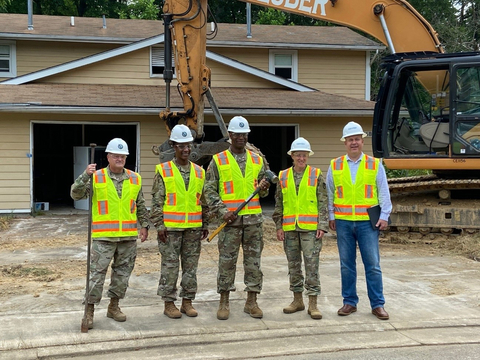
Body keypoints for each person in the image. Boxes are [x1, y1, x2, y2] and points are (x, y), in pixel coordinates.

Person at [71, 138, 149, 329]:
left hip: (128, 238)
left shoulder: (134, 178)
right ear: (108, 157)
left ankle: (114, 306)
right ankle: (89, 312)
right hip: (103, 237)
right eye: (116, 156)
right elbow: (75, 194)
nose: (119, 159)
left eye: (123, 156)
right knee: (96, 277)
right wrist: (84, 176)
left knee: (122, 275)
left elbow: (140, 204)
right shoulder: (95, 177)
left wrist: (145, 225)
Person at [204, 116, 271, 320]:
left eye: (244, 134)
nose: (241, 137)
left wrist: (264, 188)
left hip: (253, 221)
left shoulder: (257, 160)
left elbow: (263, 194)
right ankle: (224, 301)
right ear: (230, 136)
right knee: (226, 262)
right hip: (230, 221)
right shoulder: (219, 160)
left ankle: (251, 302)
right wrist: (222, 211)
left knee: (253, 263)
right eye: (237, 134)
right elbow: (209, 190)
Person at [326, 122, 392, 320]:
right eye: (350, 139)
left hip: (367, 223)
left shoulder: (374, 163)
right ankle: (349, 302)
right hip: (344, 221)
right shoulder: (335, 165)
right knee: (346, 265)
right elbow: (330, 193)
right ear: (345, 142)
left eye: (356, 139)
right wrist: (331, 216)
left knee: (372, 264)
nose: (353, 143)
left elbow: (383, 192)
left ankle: (377, 304)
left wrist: (384, 216)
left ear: (362, 141)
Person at [150, 124, 209, 319]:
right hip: (171, 228)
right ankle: (169, 303)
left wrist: (205, 224)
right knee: (170, 266)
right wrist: (159, 225)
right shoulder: (164, 171)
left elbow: (204, 200)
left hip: (193, 227)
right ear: (174, 146)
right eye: (181, 146)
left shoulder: (200, 172)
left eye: (188, 145)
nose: (186, 149)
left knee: (191, 267)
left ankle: (187, 302)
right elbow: (157, 201)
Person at [272, 137, 328, 320]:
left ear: (308, 156)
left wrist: (322, 225)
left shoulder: (316, 174)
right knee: (293, 265)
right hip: (289, 229)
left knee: (312, 266)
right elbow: (279, 202)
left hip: (311, 229)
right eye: (298, 155)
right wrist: (279, 226)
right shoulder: (283, 176)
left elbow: (322, 201)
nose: (301, 158)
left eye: (304, 155)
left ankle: (313, 304)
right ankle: (297, 301)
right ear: (292, 156)